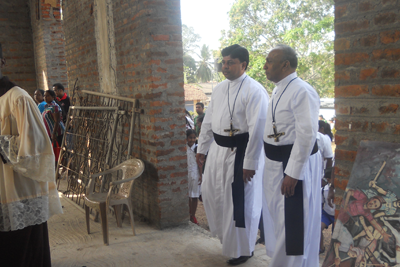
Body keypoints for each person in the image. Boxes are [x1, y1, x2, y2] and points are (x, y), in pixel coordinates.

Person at [196, 44, 269, 265]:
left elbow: (257, 129)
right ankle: (227, 240)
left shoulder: (255, 90)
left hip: (241, 152)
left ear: (243, 65)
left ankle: (244, 249)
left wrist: (250, 162)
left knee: (241, 202)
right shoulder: (219, 89)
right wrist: (202, 148)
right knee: (214, 194)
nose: (225, 66)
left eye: (230, 62)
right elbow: (208, 121)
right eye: (223, 62)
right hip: (218, 150)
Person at [0, 45, 63, 267]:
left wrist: (2, 144)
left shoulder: (18, 98)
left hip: (19, 191)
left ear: (2, 61)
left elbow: (37, 147)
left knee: (22, 252)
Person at [261, 44, 322, 267]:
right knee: (278, 218)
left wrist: (293, 173)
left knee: (292, 223)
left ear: (285, 64)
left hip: (292, 165)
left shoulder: (302, 90)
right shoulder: (279, 88)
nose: (265, 66)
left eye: (269, 61)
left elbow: (307, 134)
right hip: (275, 162)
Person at [43, 90, 65, 163]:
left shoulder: (54, 106)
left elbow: (57, 120)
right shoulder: (46, 106)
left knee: (60, 152)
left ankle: (66, 167)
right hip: (50, 133)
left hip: (57, 134)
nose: (45, 97)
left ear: (53, 97)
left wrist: (54, 133)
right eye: (44, 96)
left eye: (48, 96)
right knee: (55, 152)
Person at [186, 129, 202, 224]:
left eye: (193, 137)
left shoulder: (197, 148)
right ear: (186, 138)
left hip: (195, 174)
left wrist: (200, 175)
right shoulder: (185, 149)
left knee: (195, 195)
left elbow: (200, 163)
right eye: (190, 138)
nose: (192, 140)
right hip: (187, 174)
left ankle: (193, 215)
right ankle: (189, 214)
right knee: (188, 195)